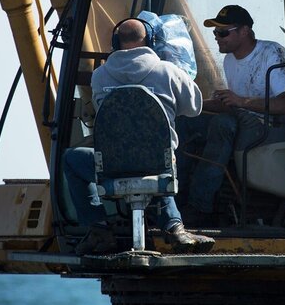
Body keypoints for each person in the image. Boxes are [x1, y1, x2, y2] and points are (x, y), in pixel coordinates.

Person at [63, 18, 214, 255]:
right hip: (158, 164)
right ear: (151, 41)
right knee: (156, 159)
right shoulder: (168, 71)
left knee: (70, 158)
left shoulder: (99, 76)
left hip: (111, 167)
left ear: (116, 42)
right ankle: (175, 228)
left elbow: (104, 114)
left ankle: (98, 227)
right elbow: (194, 108)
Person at [180, 5, 285, 226]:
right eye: (215, 32)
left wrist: (241, 101)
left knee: (222, 124)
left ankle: (200, 207)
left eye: (223, 32)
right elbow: (234, 105)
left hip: (270, 128)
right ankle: (176, 199)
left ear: (244, 31)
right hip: (242, 120)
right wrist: (190, 105)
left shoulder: (272, 54)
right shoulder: (230, 60)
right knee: (186, 122)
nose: (217, 37)